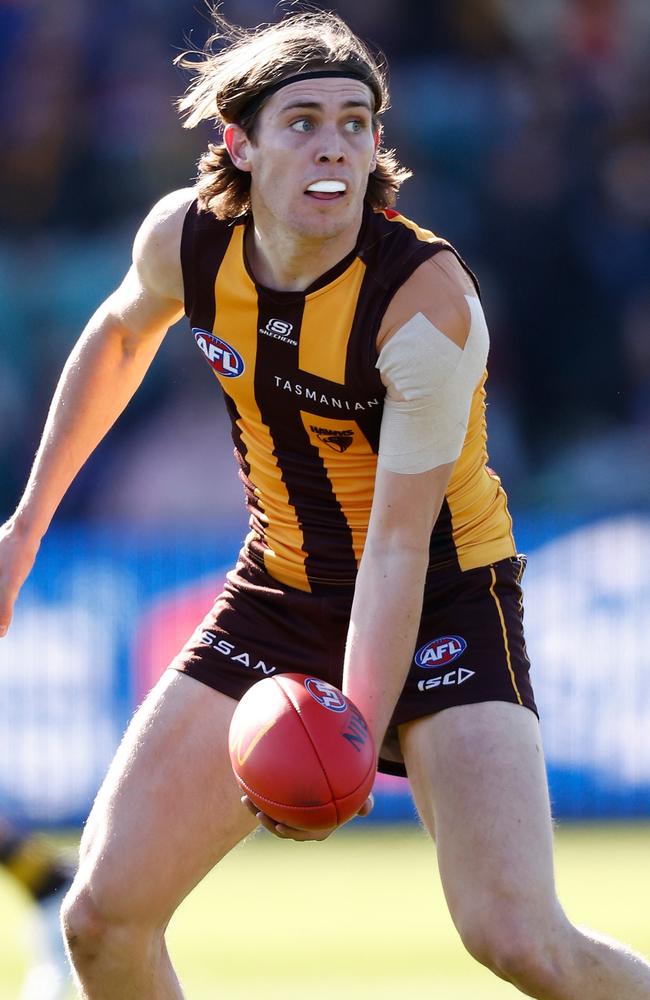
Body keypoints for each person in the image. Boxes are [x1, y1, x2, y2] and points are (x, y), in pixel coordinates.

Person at [0, 9, 649, 999]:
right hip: (283, 588)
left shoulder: (423, 300)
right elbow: (119, 337)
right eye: (301, 121)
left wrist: (348, 728)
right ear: (238, 143)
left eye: (356, 121)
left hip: (442, 603)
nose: (334, 145)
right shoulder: (185, 239)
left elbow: (395, 549)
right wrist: (22, 529)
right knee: (99, 920)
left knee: (517, 938)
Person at [0, 819, 73, 999]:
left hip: (52, 902)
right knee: (51, 972)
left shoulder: (14, 840)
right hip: (51, 907)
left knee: (50, 971)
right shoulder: (9, 846)